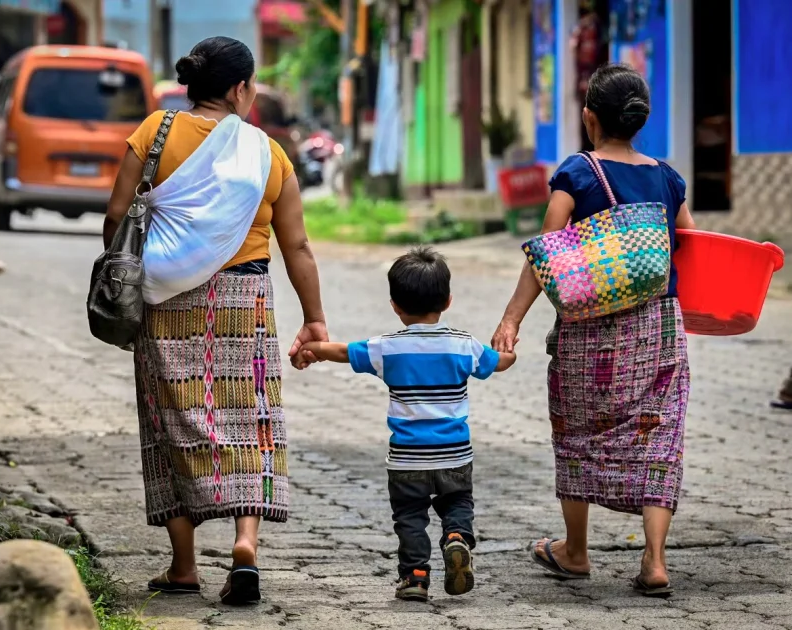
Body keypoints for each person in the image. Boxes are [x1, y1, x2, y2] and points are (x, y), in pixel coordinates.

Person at [104, 36, 327, 605]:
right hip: (243, 299)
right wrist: (315, 319)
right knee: (248, 418)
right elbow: (297, 246)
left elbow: (115, 216)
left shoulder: (154, 132)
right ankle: (245, 544)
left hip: (164, 300)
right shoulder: (266, 152)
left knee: (170, 422)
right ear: (239, 89)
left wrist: (133, 276)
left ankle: (183, 567)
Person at [491, 63, 695, 598]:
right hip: (658, 327)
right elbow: (692, 248)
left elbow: (546, 256)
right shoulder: (668, 178)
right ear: (640, 120)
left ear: (589, 117)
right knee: (659, 434)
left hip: (590, 329)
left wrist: (511, 318)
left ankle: (576, 552)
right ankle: (654, 560)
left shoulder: (576, 174)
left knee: (579, 430)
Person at [293, 247, 516, 602]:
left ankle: (414, 577)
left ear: (395, 305)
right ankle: (457, 537)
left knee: (410, 517)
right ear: (448, 300)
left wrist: (314, 349)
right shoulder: (463, 345)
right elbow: (499, 363)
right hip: (454, 455)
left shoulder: (388, 348)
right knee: (457, 503)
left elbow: (344, 350)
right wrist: (510, 351)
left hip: (406, 459)